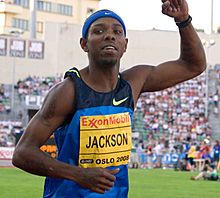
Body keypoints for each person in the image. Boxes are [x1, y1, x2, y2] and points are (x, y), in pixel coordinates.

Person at [12, 0, 206, 197]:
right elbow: (23, 153)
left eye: (117, 31)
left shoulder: (134, 82)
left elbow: (194, 65)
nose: (110, 35)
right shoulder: (68, 91)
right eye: (98, 31)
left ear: (125, 45)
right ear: (84, 44)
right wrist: (79, 174)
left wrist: (183, 20)